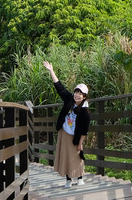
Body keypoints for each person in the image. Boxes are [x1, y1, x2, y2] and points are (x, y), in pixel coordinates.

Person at [43, 60, 90, 188]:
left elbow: (85, 130)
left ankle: (80, 177)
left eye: (81, 94)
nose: (77, 95)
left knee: (77, 155)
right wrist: (51, 71)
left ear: (84, 97)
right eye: (76, 92)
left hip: (76, 135)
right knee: (65, 156)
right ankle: (68, 179)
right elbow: (59, 87)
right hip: (64, 132)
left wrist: (80, 143)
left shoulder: (85, 111)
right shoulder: (69, 99)